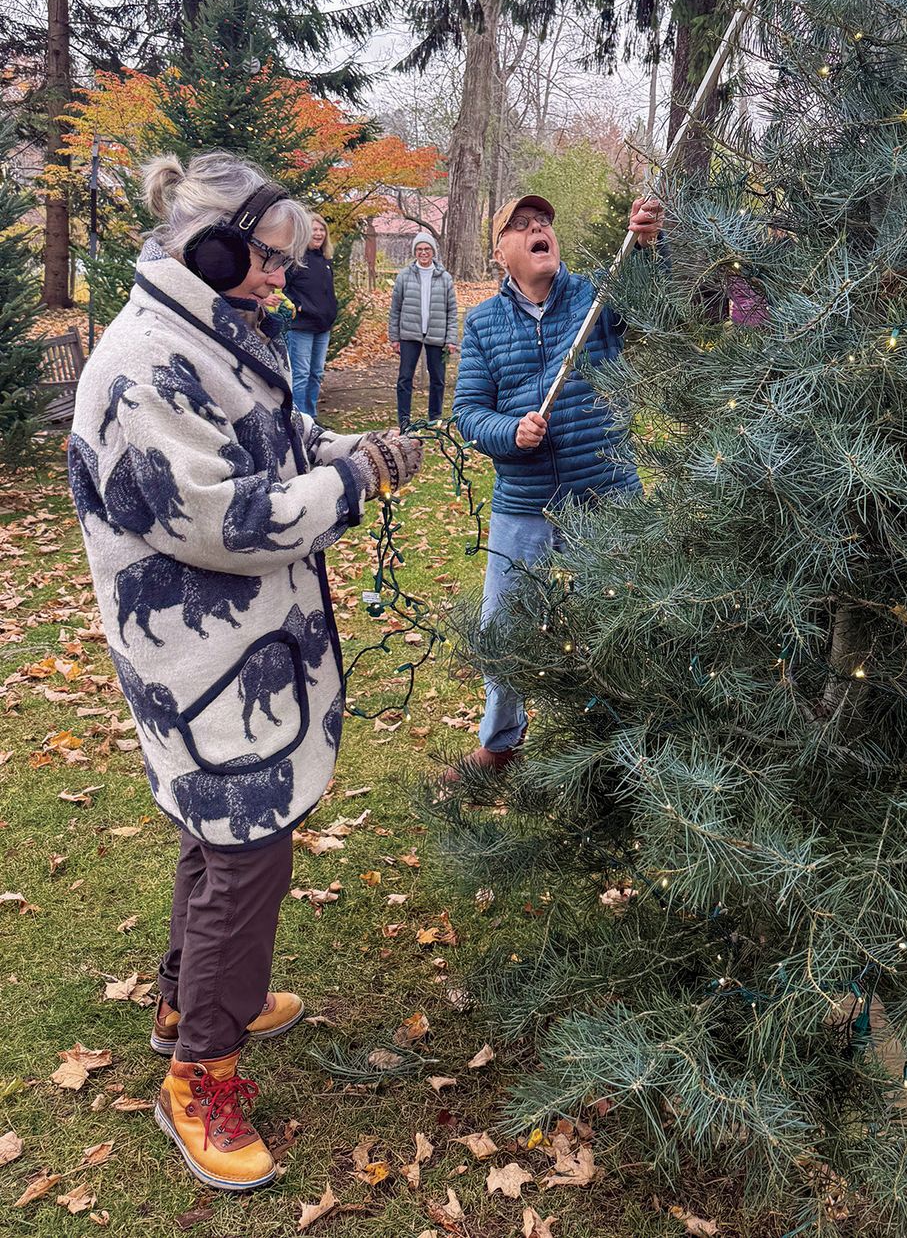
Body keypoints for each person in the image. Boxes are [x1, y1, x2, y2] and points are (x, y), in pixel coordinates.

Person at [66, 151, 422, 1194]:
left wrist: (360, 447)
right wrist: (348, 486)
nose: (283, 283)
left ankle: (192, 997)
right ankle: (201, 1073)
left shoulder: (211, 336)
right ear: (211, 247)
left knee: (218, 841)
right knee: (248, 853)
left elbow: (280, 438)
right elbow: (223, 518)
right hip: (204, 661)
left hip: (244, 651)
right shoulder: (142, 364)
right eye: (272, 262)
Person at [451, 190, 663, 776]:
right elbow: (468, 412)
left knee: (622, 614)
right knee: (505, 627)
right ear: (501, 253)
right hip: (524, 503)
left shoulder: (595, 298)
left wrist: (646, 247)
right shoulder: (483, 324)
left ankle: (625, 742)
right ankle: (499, 746)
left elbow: (651, 304)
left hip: (606, 491)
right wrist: (508, 431)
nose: (538, 228)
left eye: (544, 221)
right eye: (521, 226)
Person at [388, 231, 459, 431]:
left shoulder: (445, 278)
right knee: (404, 378)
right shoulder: (404, 276)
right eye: (419, 249)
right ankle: (404, 419)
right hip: (409, 334)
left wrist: (451, 339)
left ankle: (435, 418)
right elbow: (395, 308)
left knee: (438, 378)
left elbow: (452, 310)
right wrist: (394, 337)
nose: (423, 252)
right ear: (415, 252)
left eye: (427, 249)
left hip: (437, 335)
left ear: (433, 252)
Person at [284, 211, 337, 417]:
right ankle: (300, 419)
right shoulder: (295, 260)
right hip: (301, 327)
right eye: (314, 229)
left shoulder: (325, 261)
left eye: (321, 229)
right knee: (301, 375)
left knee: (316, 374)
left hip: (323, 327)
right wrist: (296, 304)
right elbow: (281, 288)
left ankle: (312, 417)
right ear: (304, 232)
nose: (318, 233)